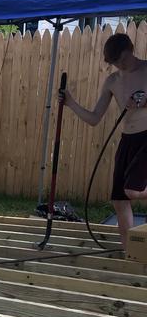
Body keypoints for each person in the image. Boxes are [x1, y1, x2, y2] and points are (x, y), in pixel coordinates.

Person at [61, 33, 147, 249]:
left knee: (132, 191)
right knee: (119, 199)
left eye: (123, 59)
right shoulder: (112, 81)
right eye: (116, 62)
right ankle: (130, 250)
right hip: (128, 139)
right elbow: (94, 118)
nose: (121, 65)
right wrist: (71, 103)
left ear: (131, 49)